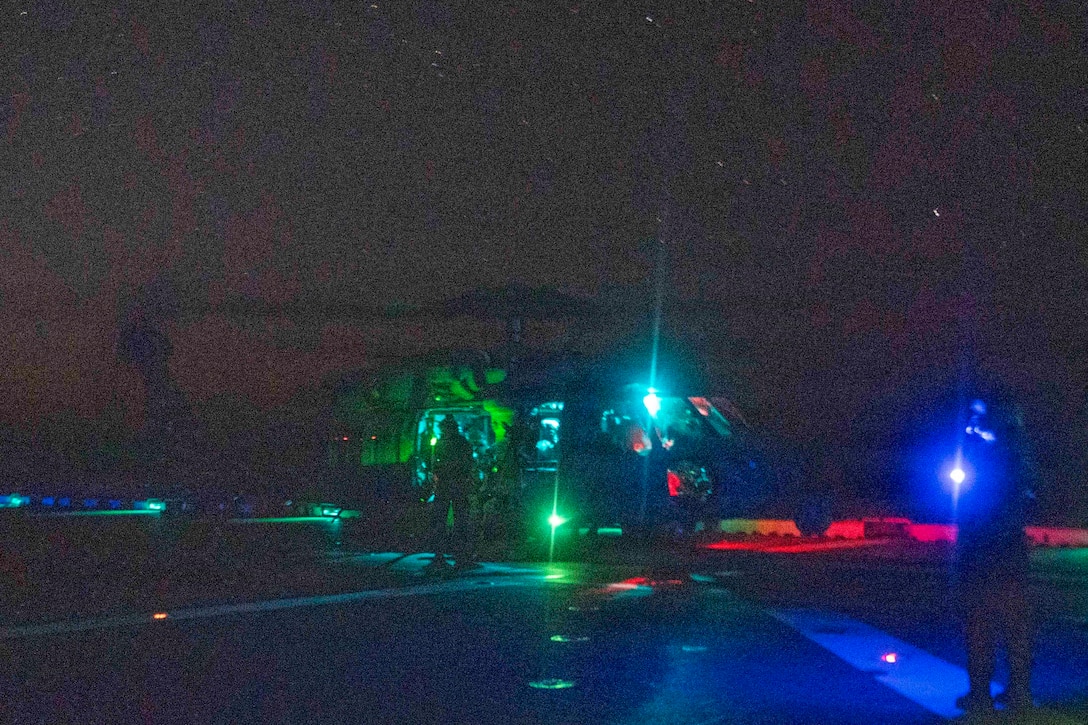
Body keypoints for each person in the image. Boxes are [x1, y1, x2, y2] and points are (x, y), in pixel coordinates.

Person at [954, 394, 1036, 717]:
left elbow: (974, 502)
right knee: (1014, 624)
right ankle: (1018, 692)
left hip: (986, 550)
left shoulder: (996, 455)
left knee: (981, 623)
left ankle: (982, 695)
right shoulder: (1017, 453)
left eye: (979, 416)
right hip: (1008, 550)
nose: (972, 422)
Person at [426, 416, 477, 572]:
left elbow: (435, 463)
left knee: (449, 521)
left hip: (449, 485)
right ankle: (456, 555)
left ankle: (447, 555)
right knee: (455, 521)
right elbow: (468, 463)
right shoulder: (461, 443)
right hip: (454, 485)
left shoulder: (448, 443)